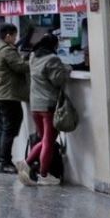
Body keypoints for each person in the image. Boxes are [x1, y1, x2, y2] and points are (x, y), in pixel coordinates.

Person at [23, 32, 69, 186]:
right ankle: (43, 174)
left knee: (44, 140)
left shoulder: (33, 57)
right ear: (53, 45)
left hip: (35, 105)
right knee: (48, 141)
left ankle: (26, 164)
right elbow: (58, 80)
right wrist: (66, 69)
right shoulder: (52, 59)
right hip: (48, 105)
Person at [0, 23, 30, 175]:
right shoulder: (7, 51)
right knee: (9, 129)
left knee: (2, 128)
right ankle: (5, 162)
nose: (16, 38)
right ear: (8, 36)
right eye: (14, 35)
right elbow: (20, 67)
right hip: (8, 95)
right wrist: (33, 61)